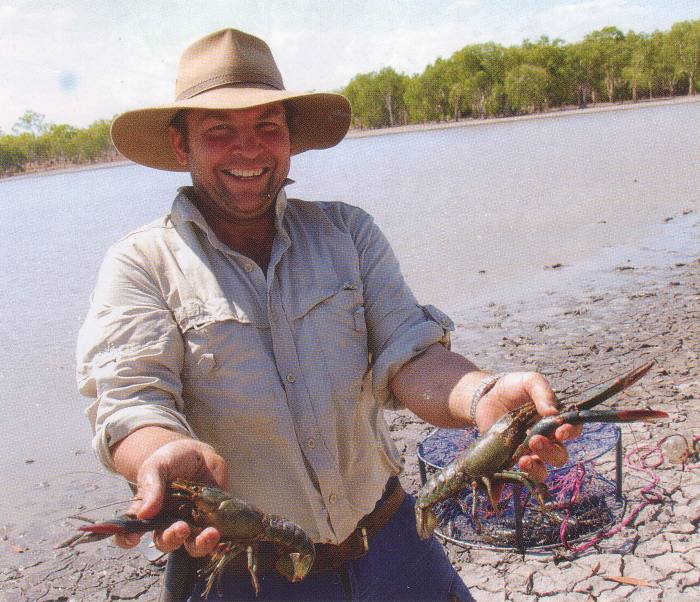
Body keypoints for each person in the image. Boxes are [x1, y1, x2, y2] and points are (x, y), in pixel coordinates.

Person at [77, 29, 579, 601]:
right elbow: (129, 402)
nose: (249, 149)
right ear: (179, 145)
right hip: (243, 573)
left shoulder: (347, 231)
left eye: (268, 125)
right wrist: (159, 452)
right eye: (219, 131)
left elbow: (409, 353)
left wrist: (480, 394)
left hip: (391, 541)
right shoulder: (139, 264)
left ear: (290, 138)